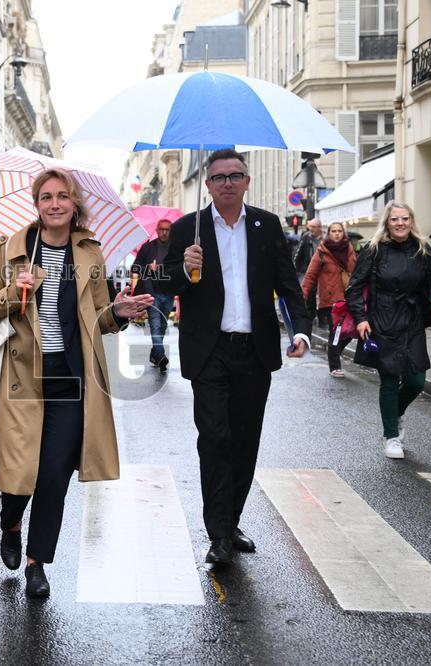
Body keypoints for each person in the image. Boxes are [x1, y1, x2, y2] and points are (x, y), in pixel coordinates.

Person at [0, 168, 152, 598]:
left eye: (62, 196)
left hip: (72, 377)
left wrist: (119, 313)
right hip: (23, 376)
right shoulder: (10, 251)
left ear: (75, 204)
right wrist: (13, 293)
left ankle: (37, 562)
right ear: (36, 204)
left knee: (55, 473)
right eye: (46, 197)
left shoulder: (90, 253)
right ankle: (10, 522)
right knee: (22, 469)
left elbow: (98, 318)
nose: (54, 204)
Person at [160, 149, 311, 567]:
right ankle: (219, 534)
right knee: (214, 439)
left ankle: (232, 520)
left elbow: (288, 283)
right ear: (207, 185)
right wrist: (184, 268)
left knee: (245, 441)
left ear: (247, 181)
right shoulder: (189, 228)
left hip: (255, 351)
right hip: (209, 352)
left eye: (235, 175)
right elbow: (164, 283)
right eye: (219, 177)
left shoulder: (267, 225)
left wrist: (300, 329)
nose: (227, 182)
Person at [345, 202, 431, 460]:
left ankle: (396, 413)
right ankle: (391, 436)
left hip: (413, 320)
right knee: (389, 378)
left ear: (411, 221)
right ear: (387, 223)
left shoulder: (422, 250)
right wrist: (361, 318)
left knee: (416, 380)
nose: (400, 223)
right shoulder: (374, 250)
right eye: (394, 219)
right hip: (383, 320)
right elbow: (354, 288)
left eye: (405, 218)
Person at [301, 221, 357, 377]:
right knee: (336, 332)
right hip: (331, 299)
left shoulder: (349, 249)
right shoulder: (322, 251)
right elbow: (310, 275)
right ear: (329, 233)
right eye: (334, 231)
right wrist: (303, 295)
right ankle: (334, 366)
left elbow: (357, 272)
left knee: (350, 332)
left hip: (348, 297)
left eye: (339, 231)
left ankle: (333, 350)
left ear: (343, 233)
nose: (337, 233)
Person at [132, 217, 176, 371]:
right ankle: (161, 356)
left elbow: (180, 269)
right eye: (161, 229)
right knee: (155, 325)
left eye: (167, 230)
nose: (164, 232)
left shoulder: (175, 249)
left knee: (162, 326)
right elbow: (135, 267)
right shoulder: (148, 247)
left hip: (168, 293)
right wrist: (148, 268)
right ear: (157, 230)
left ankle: (155, 354)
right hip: (153, 293)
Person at [294, 219, 323, 322]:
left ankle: (321, 316)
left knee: (321, 293)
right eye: (310, 227)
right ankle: (311, 315)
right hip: (308, 269)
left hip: (322, 271)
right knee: (309, 293)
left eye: (313, 227)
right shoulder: (306, 237)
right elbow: (298, 253)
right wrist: (295, 269)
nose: (311, 229)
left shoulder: (325, 238)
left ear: (319, 227)